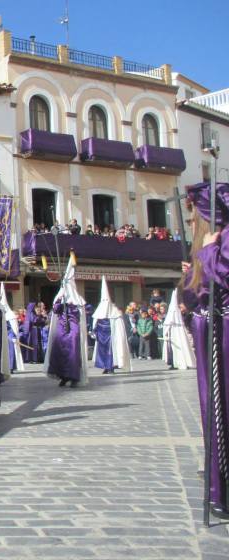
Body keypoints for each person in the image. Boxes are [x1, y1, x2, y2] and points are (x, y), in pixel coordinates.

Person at [182, 180, 229, 518]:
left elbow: (222, 275)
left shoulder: (220, 242)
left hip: (224, 334)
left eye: (195, 214)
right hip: (209, 332)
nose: (191, 222)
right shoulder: (209, 244)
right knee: (214, 409)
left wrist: (209, 251)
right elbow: (196, 296)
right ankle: (218, 479)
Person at [45, 256, 89, 387]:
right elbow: (55, 310)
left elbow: (81, 313)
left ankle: (74, 376)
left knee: (73, 351)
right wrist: (60, 301)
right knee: (59, 350)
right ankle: (62, 375)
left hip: (73, 327)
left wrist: (71, 305)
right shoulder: (60, 297)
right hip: (61, 327)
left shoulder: (78, 300)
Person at [91, 277, 131, 375]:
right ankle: (105, 366)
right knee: (102, 352)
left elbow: (119, 326)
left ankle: (111, 367)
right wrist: (94, 331)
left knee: (111, 352)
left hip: (111, 336)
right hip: (101, 336)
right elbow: (95, 323)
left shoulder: (115, 313)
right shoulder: (99, 312)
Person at [162, 289, 195, 370]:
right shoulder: (174, 313)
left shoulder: (187, 313)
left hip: (186, 331)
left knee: (189, 346)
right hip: (177, 332)